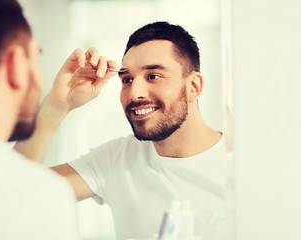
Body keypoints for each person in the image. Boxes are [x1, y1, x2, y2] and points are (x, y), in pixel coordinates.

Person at [14, 22, 233, 240]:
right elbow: (14, 192)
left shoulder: (242, 170)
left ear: (193, 87)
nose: (134, 93)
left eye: (153, 76)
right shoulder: (116, 160)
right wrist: (57, 103)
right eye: (127, 79)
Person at [0, 0, 116, 239]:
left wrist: (58, 105)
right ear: (16, 64)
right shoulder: (40, 197)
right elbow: (11, 193)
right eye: (35, 58)